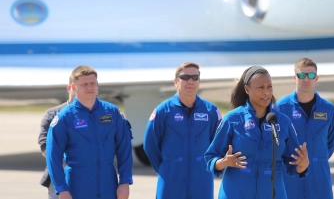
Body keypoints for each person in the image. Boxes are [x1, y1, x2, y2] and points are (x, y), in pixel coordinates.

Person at [205, 65, 309, 199]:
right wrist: (224, 162)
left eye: (269, 87)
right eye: (261, 87)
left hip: (272, 192)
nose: (266, 92)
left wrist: (303, 165)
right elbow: (210, 157)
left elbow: (293, 164)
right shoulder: (233, 119)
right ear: (247, 89)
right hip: (236, 192)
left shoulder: (283, 122)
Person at [46, 65, 133, 199]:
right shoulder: (64, 118)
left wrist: (125, 181)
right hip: (77, 184)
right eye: (84, 84)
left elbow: (124, 148)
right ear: (74, 88)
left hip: (109, 184)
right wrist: (62, 189)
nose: (90, 87)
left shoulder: (112, 112)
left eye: (93, 83)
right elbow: (53, 157)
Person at [144, 62, 222, 199]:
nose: (190, 81)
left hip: (202, 178)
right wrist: (166, 168)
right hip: (171, 178)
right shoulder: (163, 111)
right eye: (185, 77)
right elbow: (150, 145)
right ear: (176, 81)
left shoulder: (211, 111)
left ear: (199, 81)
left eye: (195, 77)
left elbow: (218, 144)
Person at [276, 57, 334, 199]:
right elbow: (274, 142)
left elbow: (331, 141)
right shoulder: (281, 108)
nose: (306, 79)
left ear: (316, 78)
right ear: (294, 78)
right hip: (288, 174)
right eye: (301, 75)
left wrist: (316, 157)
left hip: (318, 174)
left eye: (311, 75)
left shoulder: (328, 109)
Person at [38, 82, 75, 199]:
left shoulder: (95, 114)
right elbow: (45, 147)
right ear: (70, 88)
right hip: (59, 176)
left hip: (87, 176)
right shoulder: (53, 114)